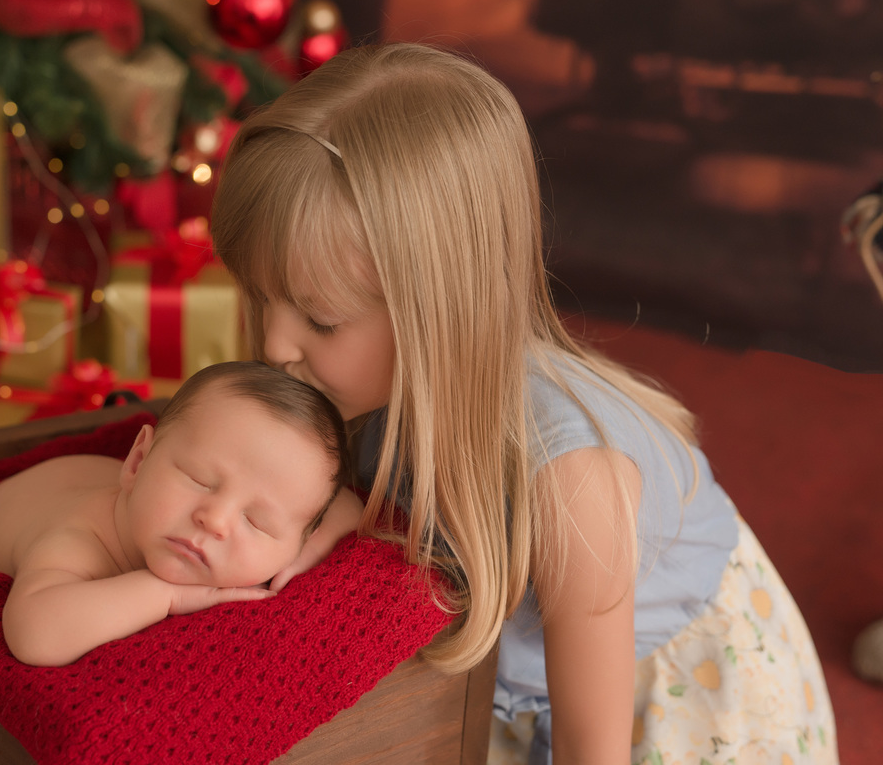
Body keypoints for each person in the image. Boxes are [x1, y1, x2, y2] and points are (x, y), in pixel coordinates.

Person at [210, 42, 838, 764]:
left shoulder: (575, 482)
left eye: (319, 318)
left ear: (440, 309)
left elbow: (589, 747)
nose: (276, 343)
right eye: (260, 297)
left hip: (663, 718)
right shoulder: (360, 382)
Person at [0, 360, 353, 667]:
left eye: (257, 521)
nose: (215, 520)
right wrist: (164, 595)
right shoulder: (79, 541)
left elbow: (349, 507)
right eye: (198, 479)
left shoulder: (291, 536)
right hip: (32, 498)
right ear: (136, 461)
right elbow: (36, 635)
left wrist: (305, 553)